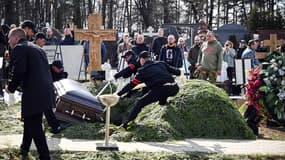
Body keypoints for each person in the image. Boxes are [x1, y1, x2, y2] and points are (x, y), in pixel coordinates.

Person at [6, 28, 52, 159]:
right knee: (30, 120)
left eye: (9, 38)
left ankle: (45, 156)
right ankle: (24, 148)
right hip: (44, 90)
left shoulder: (20, 48)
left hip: (34, 92)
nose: (8, 41)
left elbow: (19, 70)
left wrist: (11, 88)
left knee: (35, 126)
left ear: (15, 38)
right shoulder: (35, 47)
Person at [117, 51, 181, 129]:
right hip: (174, 88)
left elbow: (131, 85)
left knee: (139, 102)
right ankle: (164, 107)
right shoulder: (161, 63)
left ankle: (127, 123)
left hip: (161, 90)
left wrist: (119, 94)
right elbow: (177, 72)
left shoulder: (142, 71)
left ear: (142, 59)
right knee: (161, 99)